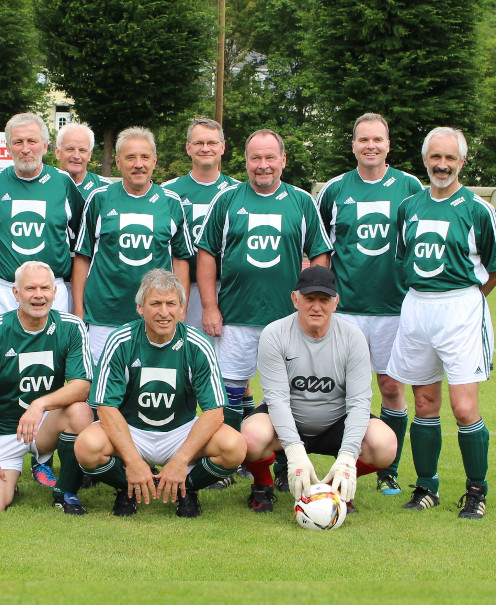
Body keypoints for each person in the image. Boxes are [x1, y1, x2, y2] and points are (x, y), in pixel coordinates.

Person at [197, 128, 330, 503]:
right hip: (236, 318)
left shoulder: (301, 202)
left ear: (283, 160)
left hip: (288, 322)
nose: (263, 165)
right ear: (245, 161)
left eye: (270, 157)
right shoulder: (227, 200)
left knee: (290, 396)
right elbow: (206, 254)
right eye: (255, 158)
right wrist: (210, 306)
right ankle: (230, 462)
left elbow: (320, 254)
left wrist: (313, 304)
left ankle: (287, 465)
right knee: (228, 394)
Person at [386, 127, 496, 520]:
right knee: (424, 402)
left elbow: (495, 270)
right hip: (418, 307)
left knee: (464, 407)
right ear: (425, 160)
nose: (442, 164)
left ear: (462, 162)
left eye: (450, 158)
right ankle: (427, 486)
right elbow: (402, 259)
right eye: (435, 157)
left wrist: (466, 302)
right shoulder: (409, 207)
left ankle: (476, 491)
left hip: (461, 308)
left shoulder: (477, 209)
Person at [75, 269, 247, 518]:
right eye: (155, 303)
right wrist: (133, 461)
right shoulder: (120, 341)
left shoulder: (197, 344)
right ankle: (127, 488)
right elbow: (106, 408)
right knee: (86, 446)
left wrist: (180, 461)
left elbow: (214, 412)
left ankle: (186, 489)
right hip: (131, 430)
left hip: (180, 431)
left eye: (171, 304)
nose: (164, 312)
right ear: (140, 308)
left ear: (181, 308)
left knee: (234, 447)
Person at [315, 113, 424, 496]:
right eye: (363, 139)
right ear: (354, 145)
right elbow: (321, 249)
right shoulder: (334, 190)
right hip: (345, 310)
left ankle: (386, 469)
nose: (371, 146)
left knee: (391, 388)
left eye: (377, 139)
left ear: (388, 144)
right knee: (337, 391)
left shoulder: (410, 187)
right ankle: (342, 463)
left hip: (394, 309)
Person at [241, 266, 397, 512]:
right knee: (250, 438)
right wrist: (294, 451)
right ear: (295, 299)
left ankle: (336, 487)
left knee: (385, 444)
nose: (316, 307)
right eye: (309, 298)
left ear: (336, 302)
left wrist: (348, 457)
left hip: (336, 423)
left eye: (324, 300)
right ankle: (263, 485)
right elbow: (277, 399)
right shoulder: (274, 333)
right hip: (288, 420)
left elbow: (358, 402)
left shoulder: (353, 337)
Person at [0, 261, 94, 514]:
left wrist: (39, 405)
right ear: (16, 293)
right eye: (30, 288)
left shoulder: (71, 327)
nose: (38, 295)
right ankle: (8, 472)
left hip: (43, 427)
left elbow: (82, 386)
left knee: (80, 411)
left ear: (55, 292)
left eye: (45, 288)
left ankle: (65, 491)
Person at [72, 126, 192, 364]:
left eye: (145, 157)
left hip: (155, 315)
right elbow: (83, 257)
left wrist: (181, 309)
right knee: (100, 382)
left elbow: (180, 259)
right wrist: (78, 311)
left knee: (149, 380)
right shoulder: (99, 198)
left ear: (154, 161)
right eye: (130, 157)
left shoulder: (171, 202)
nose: (139, 164)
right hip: (104, 315)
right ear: (118, 162)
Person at [0, 112, 85, 320]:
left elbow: (80, 234)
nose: (25, 149)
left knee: (52, 342)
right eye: (18, 142)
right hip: (1, 291)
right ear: (8, 148)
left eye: (32, 141)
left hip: (51, 291)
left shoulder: (63, 183)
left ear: (44, 146)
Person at [162, 118, 239, 331]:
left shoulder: (238, 191)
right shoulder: (168, 191)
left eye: (212, 143)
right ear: (188, 148)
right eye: (198, 143)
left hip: (228, 289)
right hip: (180, 287)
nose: (205, 148)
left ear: (222, 147)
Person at [55, 122, 110, 197]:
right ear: (58, 152)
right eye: (70, 149)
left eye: (82, 150)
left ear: (89, 154)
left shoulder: (104, 188)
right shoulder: (45, 186)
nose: (76, 156)